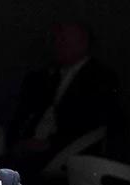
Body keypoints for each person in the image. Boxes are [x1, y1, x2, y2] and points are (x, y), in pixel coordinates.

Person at [9, 22, 121, 176]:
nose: (58, 45)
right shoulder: (45, 77)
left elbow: (91, 122)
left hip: (66, 152)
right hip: (33, 147)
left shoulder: (99, 78)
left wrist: (50, 143)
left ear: (83, 43)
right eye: (57, 40)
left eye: (64, 40)